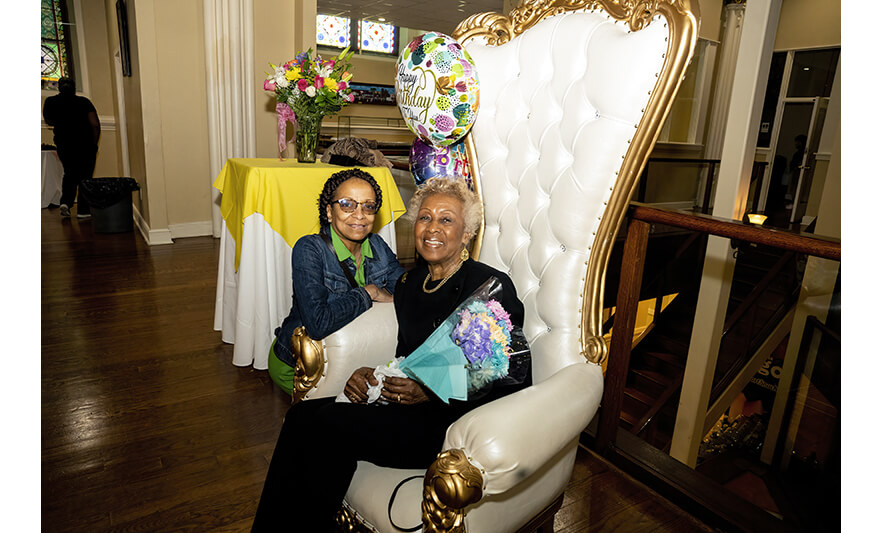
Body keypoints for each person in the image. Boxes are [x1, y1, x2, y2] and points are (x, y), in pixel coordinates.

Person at [252, 177, 530, 532]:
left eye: (446, 220)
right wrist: (370, 372)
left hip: (451, 421)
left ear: (467, 234)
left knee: (329, 426)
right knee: (301, 416)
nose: (432, 228)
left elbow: (504, 373)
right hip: (402, 402)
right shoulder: (410, 284)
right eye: (425, 218)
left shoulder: (490, 286)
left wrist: (430, 389)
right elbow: (405, 356)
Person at [268, 168, 405, 396]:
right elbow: (318, 324)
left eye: (368, 206)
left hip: (356, 356)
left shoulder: (378, 246)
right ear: (329, 212)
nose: (359, 214)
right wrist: (368, 293)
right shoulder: (310, 249)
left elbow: (407, 294)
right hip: (303, 366)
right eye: (347, 204)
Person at [42, 77, 101, 219]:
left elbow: (49, 120)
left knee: (69, 172)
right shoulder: (84, 102)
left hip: (64, 144)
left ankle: (66, 203)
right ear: (74, 88)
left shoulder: (51, 102)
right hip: (86, 144)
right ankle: (83, 211)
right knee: (85, 176)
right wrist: (94, 144)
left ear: (59, 87)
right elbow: (95, 124)